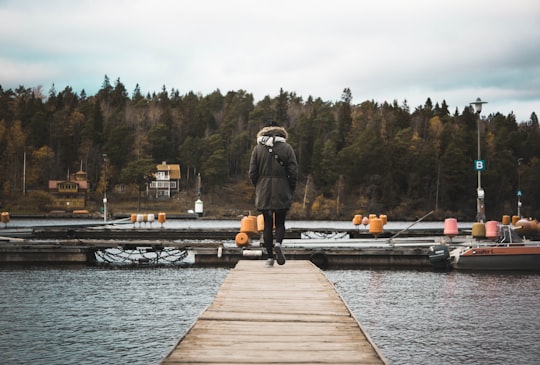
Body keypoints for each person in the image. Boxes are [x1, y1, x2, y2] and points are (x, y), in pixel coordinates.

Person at [249, 120, 298, 267]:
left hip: (264, 190)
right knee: (281, 222)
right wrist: (291, 188)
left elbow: (252, 173)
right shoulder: (287, 148)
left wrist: (258, 186)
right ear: (281, 132)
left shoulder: (257, 149)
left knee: (268, 224)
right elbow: (293, 172)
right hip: (282, 188)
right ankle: (278, 243)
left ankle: (270, 258)